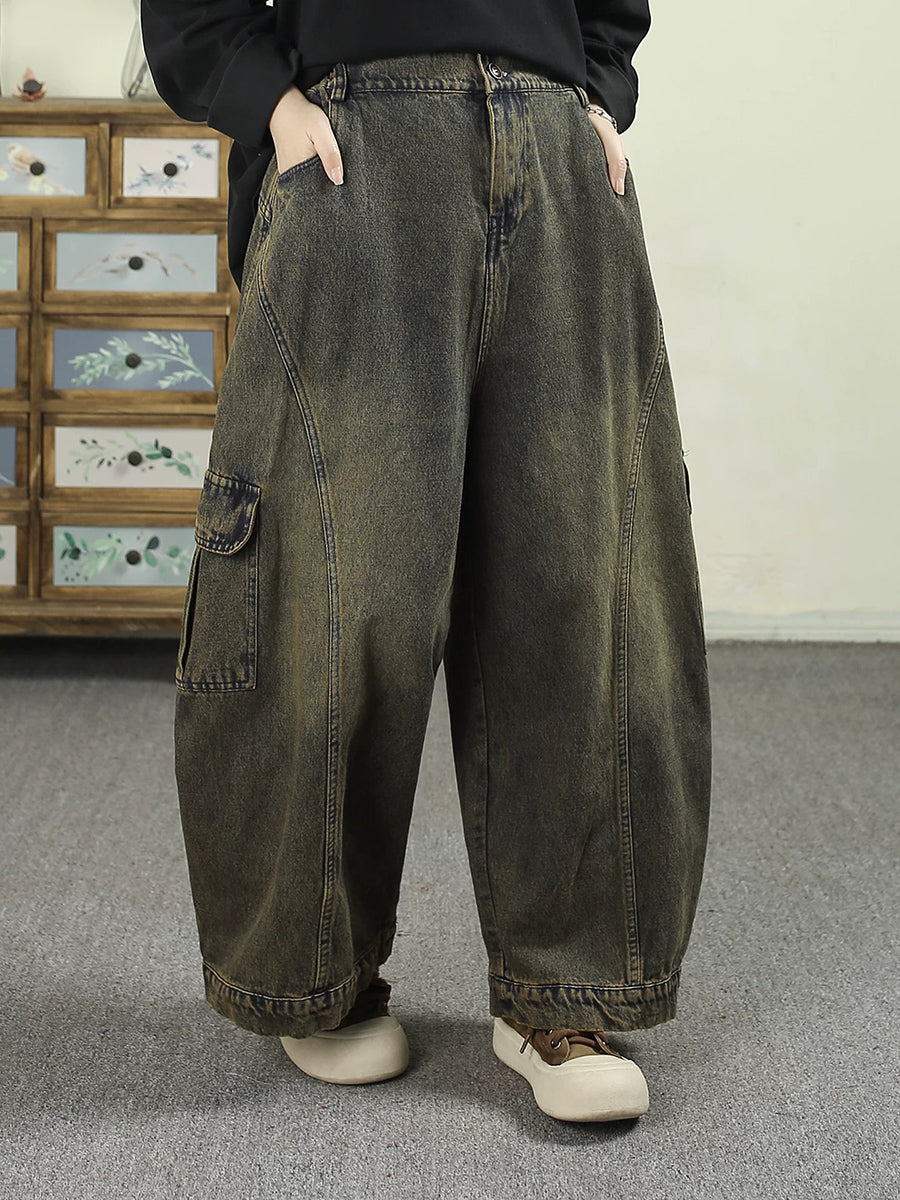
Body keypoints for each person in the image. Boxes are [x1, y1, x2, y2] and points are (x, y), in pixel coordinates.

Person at [140, 0, 712, 1124]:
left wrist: (594, 95)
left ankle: (562, 994)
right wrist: (270, 104)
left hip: (552, 146)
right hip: (354, 151)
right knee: (339, 593)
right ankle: (319, 976)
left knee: (579, 584)